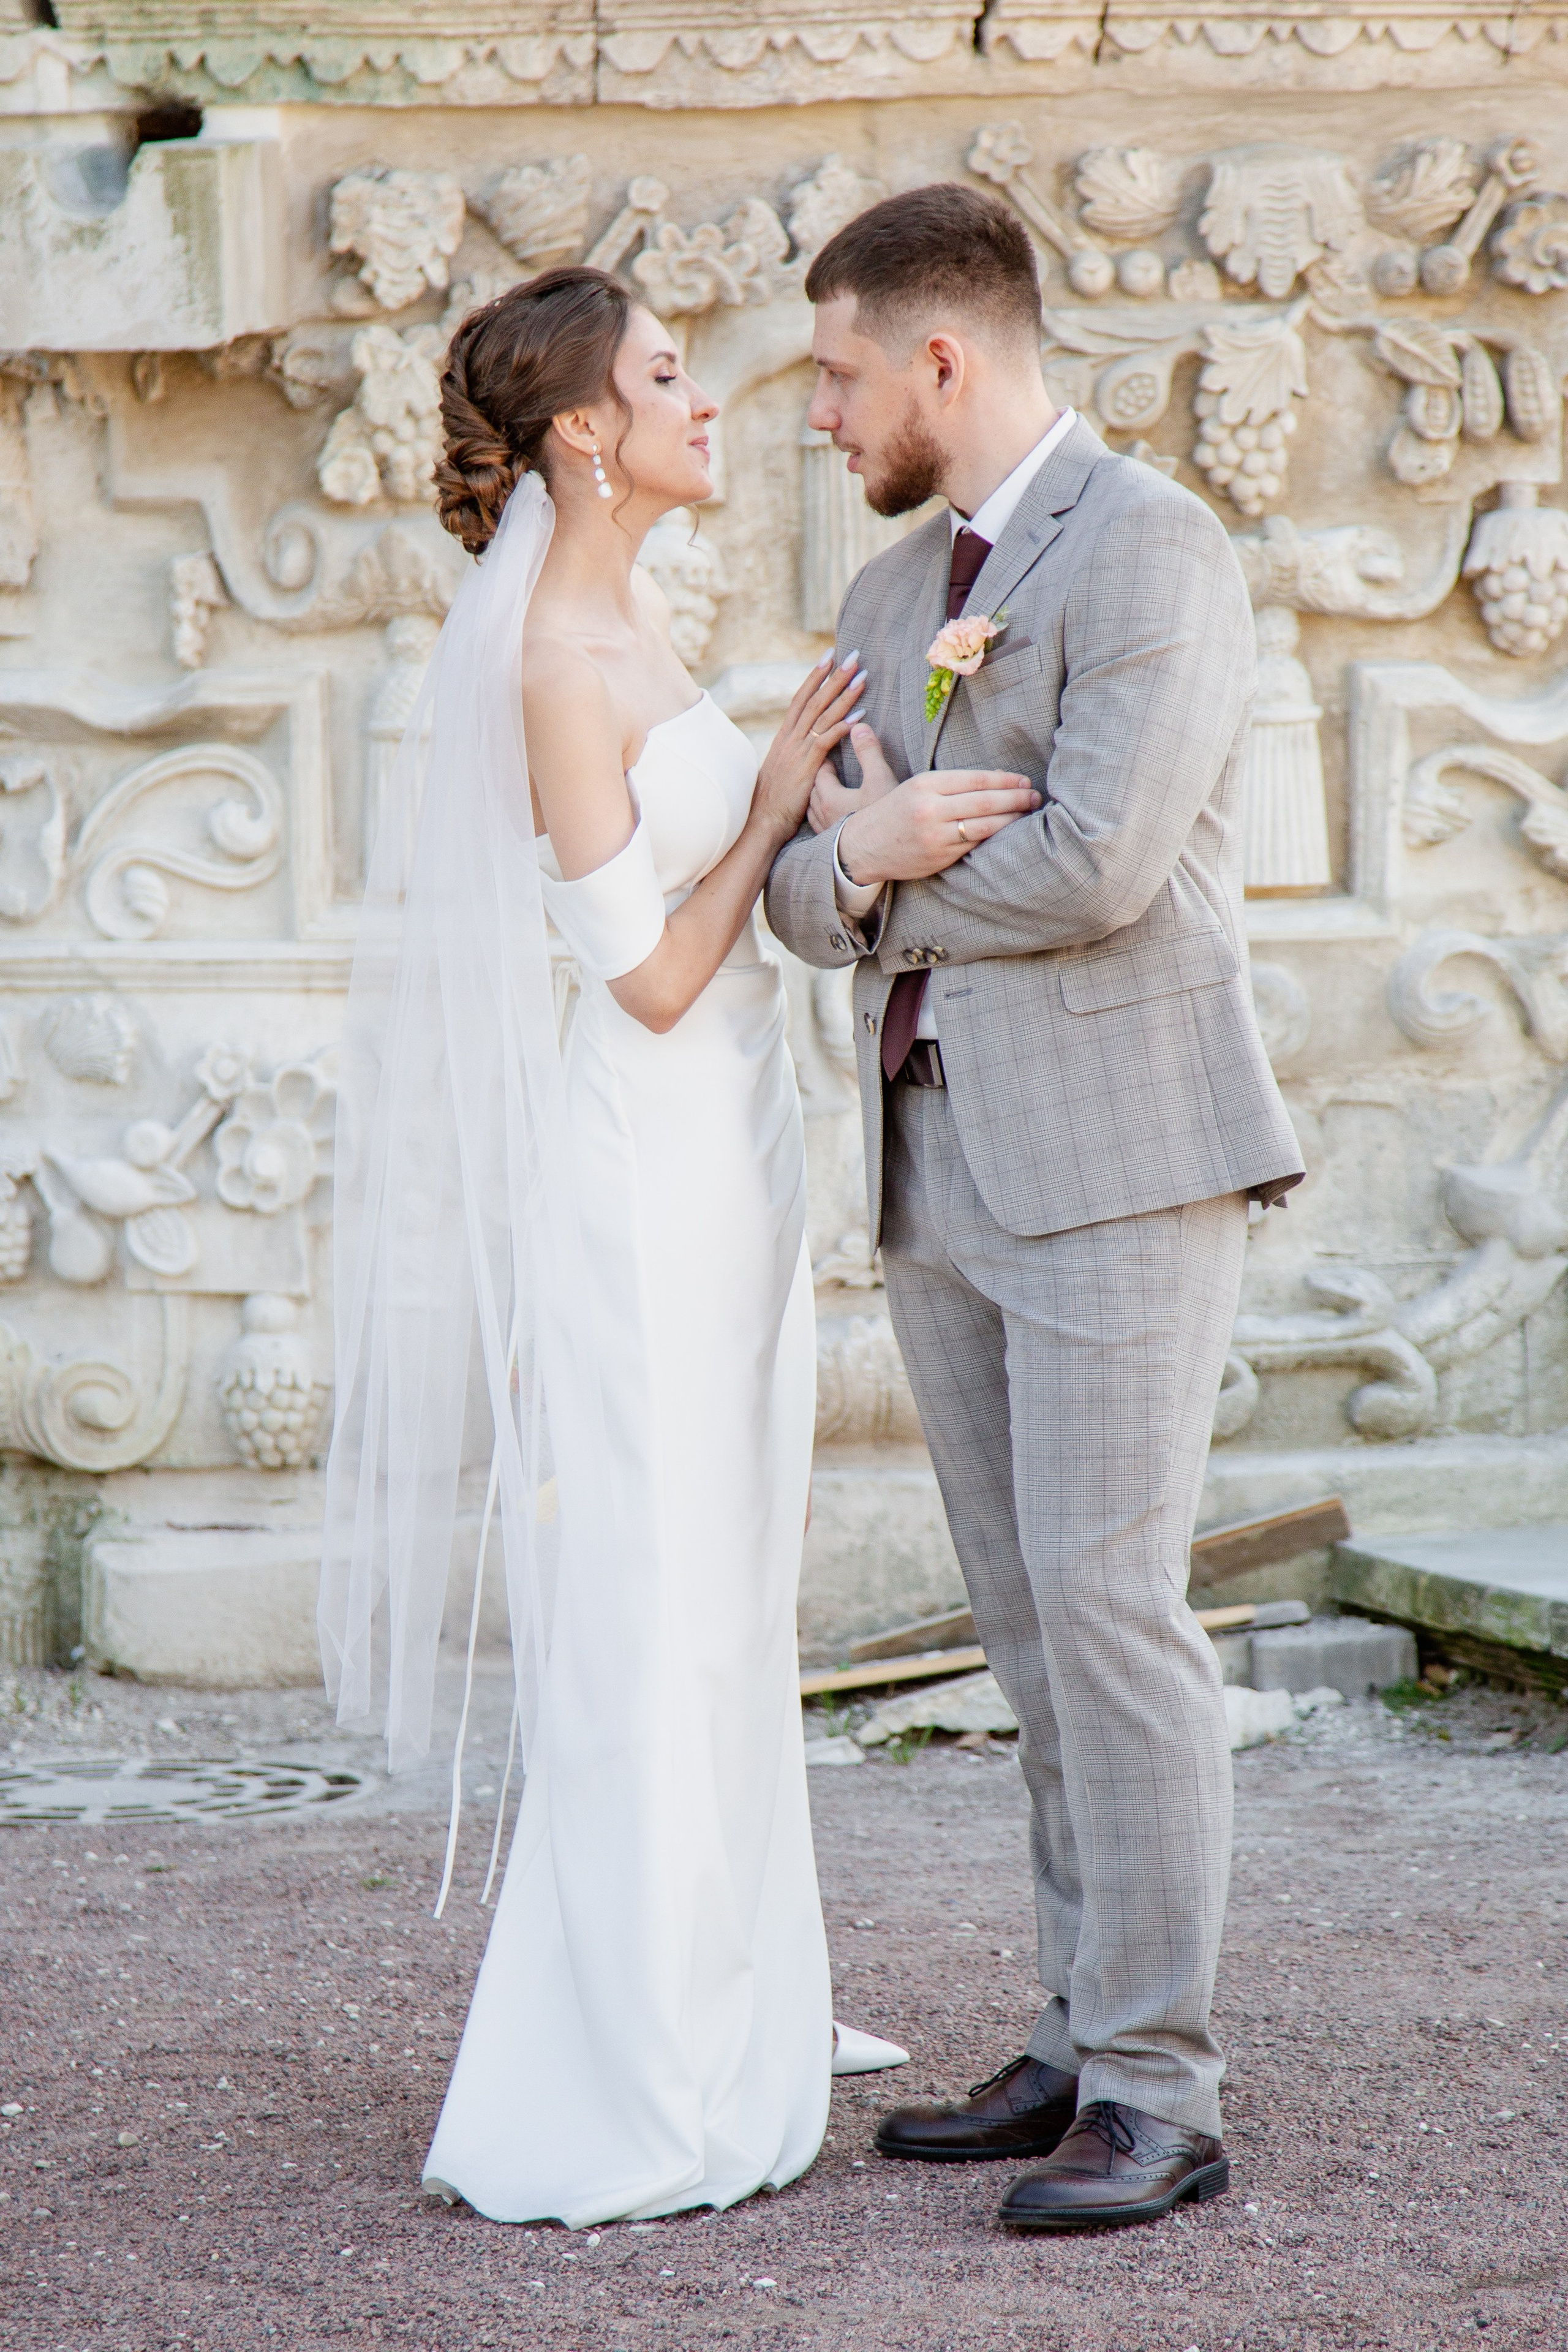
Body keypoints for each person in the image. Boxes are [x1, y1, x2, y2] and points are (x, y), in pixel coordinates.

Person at [318, 265, 903, 2231]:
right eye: (670, 378)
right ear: (586, 431)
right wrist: (766, 818)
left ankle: (741, 1995)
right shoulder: (554, 658)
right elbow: (643, 979)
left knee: (734, 1582)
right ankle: (639, 2062)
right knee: (653, 1592)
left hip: (733, 1149)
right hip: (644, 1164)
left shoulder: (637, 603)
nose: (711, 402)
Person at [766, 184, 1305, 2233]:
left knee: (1114, 1613)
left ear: (940, 356)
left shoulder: (1157, 544)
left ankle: (1165, 2089)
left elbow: (1096, 866)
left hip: (1125, 1158)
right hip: (934, 1164)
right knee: (1025, 1624)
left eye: (832, 372)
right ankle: (1084, 2029)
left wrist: (879, 857)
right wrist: (863, 853)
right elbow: (797, 893)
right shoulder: (890, 594)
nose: (817, 414)